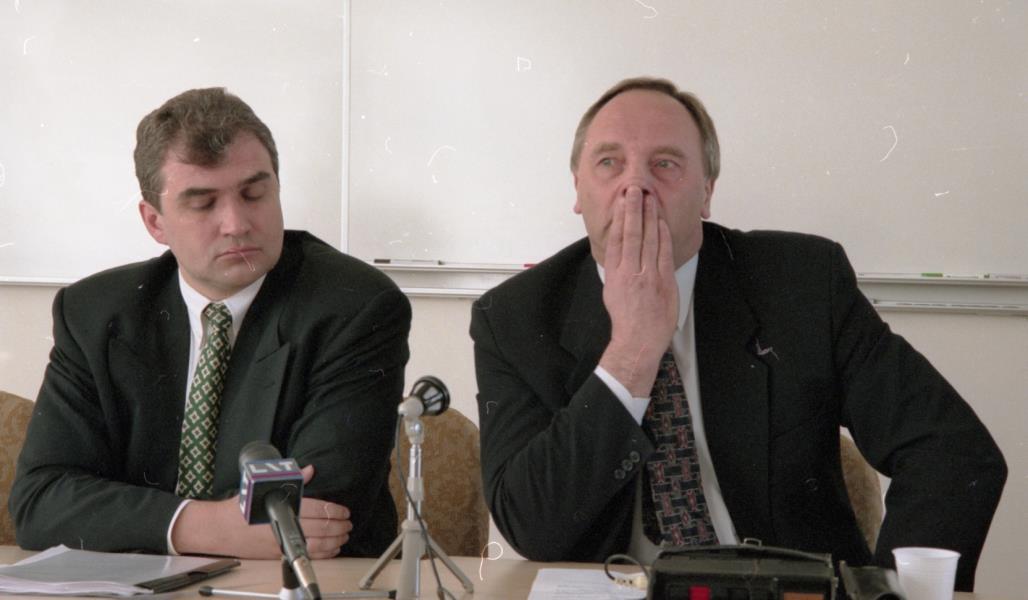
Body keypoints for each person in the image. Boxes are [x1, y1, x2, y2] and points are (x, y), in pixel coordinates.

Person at [470, 76, 1006, 590]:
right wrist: (631, 350)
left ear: (707, 193)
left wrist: (887, 593)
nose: (635, 186)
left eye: (665, 163)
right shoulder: (514, 317)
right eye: (609, 162)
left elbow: (953, 452)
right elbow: (533, 526)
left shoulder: (800, 284)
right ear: (578, 190)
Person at [10, 88, 411, 559]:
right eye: (203, 204)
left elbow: (319, 512)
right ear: (155, 222)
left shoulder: (354, 306)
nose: (236, 223)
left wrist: (129, 518)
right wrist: (205, 527)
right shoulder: (95, 313)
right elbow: (40, 502)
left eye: (254, 194)